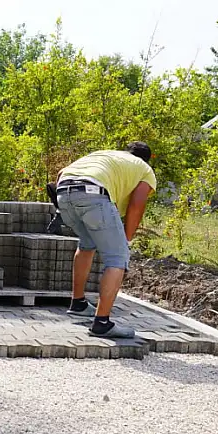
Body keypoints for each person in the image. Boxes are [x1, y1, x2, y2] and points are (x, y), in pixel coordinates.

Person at [55, 141, 157, 338]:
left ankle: (78, 303)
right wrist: (126, 238)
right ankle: (102, 323)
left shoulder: (105, 155)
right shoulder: (145, 169)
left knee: (87, 244)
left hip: (64, 193)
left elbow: (61, 174)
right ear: (146, 159)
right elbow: (137, 203)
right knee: (117, 258)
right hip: (93, 195)